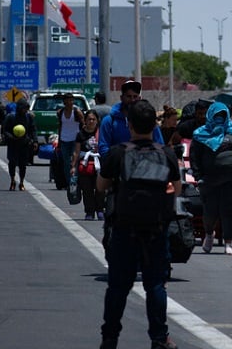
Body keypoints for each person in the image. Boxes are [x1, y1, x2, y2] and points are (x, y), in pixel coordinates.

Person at [97, 100, 181, 349]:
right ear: (153, 125)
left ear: (129, 124)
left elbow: (101, 186)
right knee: (155, 285)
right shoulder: (166, 154)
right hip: (156, 229)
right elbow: (176, 189)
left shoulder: (118, 152)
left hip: (124, 228)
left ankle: (110, 337)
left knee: (118, 287)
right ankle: (159, 337)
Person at [190, 102, 232, 256]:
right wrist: (198, 176)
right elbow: (195, 157)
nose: (219, 118)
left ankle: (228, 242)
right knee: (210, 211)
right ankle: (209, 235)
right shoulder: (201, 134)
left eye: (222, 116)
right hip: (210, 179)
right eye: (216, 116)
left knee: (229, 211)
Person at [98, 80, 164, 158]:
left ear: (139, 98)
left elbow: (159, 145)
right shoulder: (109, 121)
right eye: (129, 96)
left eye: (135, 96)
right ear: (122, 98)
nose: (132, 100)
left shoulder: (148, 119)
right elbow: (103, 149)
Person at [71, 109, 101, 220]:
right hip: (85, 165)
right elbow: (76, 152)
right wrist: (73, 166)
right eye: (89, 119)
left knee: (100, 189)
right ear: (85, 120)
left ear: (97, 121)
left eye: (93, 119)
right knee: (87, 189)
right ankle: (89, 211)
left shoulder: (101, 133)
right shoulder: (80, 134)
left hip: (99, 165)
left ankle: (99, 210)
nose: (91, 121)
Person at [1, 98, 37, 191]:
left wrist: (35, 141)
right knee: (12, 163)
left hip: (24, 144)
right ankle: (12, 180)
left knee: (23, 165)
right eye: (24, 108)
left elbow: (33, 130)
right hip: (13, 143)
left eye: (26, 108)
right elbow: (5, 130)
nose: (25, 110)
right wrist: (12, 137)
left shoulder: (28, 117)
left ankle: (21, 182)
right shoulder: (11, 117)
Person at [57, 92, 84, 186]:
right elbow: (60, 126)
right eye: (68, 100)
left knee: (74, 161)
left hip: (75, 140)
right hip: (64, 140)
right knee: (66, 162)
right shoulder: (60, 112)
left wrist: (82, 138)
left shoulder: (77, 112)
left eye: (71, 100)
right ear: (64, 101)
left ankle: (74, 181)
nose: (70, 102)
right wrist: (59, 141)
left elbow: (83, 125)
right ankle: (68, 182)